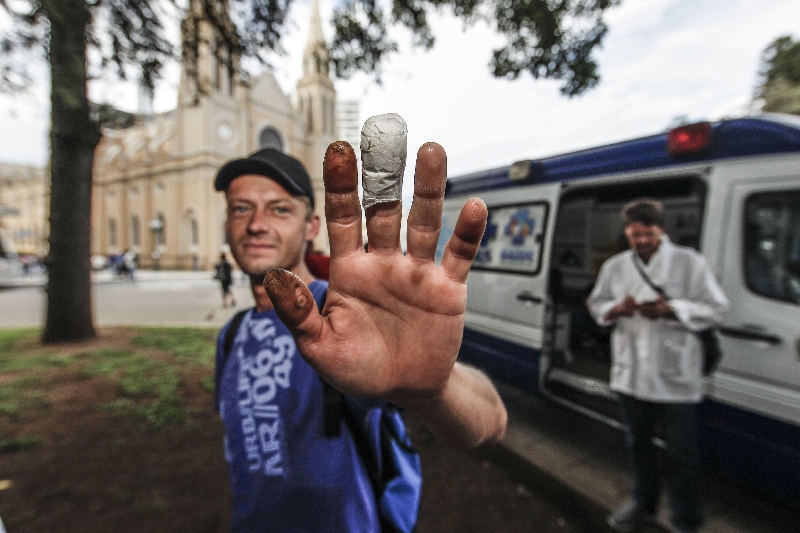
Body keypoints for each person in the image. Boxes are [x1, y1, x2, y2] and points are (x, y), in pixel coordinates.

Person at [213, 144, 508, 532]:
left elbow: (492, 422)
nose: (255, 224)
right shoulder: (231, 335)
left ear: (311, 226)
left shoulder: (343, 312)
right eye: (241, 208)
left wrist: (434, 391)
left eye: (280, 209)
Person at [586, 199, 729, 533]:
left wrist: (672, 309)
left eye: (647, 233)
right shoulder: (617, 266)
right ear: (627, 233)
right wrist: (616, 309)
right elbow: (596, 303)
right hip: (631, 373)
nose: (642, 241)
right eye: (635, 234)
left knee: (682, 454)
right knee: (638, 444)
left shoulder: (688, 263)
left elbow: (717, 309)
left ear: (661, 230)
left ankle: (687, 520)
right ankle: (643, 502)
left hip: (674, 377)